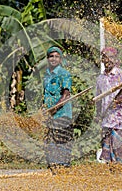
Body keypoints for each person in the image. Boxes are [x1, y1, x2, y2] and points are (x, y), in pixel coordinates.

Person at [95, 47, 122, 166]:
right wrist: (98, 115)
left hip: (121, 120)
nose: (107, 60)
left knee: (121, 151)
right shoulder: (100, 79)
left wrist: (117, 101)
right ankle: (113, 179)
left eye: (110, 57)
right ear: (102, 60)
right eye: (105, 57)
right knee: (107, 154)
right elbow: (99, 99)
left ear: (115, 59)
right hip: (107, 121)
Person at [43, 46, 73, 174]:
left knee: (62, 141)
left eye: (56, 56)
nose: (53, 59)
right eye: (51, 56)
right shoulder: (47, 75)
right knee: (50, 142)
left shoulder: (64, 74)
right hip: (50, 115)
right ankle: (54, 168)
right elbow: (45, 94)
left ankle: (63, 168)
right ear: (48, 58)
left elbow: (66, 95)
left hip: (62, 114)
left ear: (60, 59)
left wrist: (55, 108)